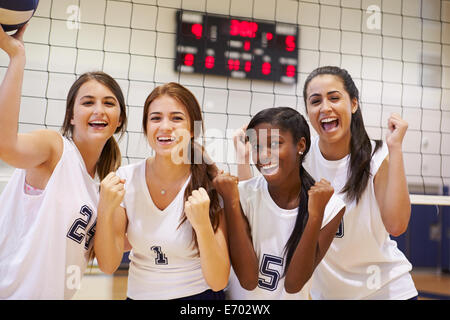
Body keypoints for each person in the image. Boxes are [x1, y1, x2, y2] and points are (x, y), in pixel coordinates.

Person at [235, 66, 418, 300]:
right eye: (315, 101)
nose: (325, 108)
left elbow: (396, 225)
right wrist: (243, 159)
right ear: (308, 111)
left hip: (387, 292)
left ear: (353, 104)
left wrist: (395, 148)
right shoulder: (301, 156)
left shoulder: (376, 156)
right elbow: (255, 200)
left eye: (334, 98)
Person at [0, 25, 127, 299]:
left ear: (120, 120)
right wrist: (17, 57)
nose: (98, 110)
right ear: (71, 116)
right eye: (88, 102)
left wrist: (107, 206)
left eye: (108, 103)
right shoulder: (54, 149)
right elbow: (5, 146)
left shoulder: (106, 189)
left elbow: (109, 264)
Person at [94, 82, 230, 300]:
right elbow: (108, 265)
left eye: (176, 118)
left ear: (192, 129)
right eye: (156, 118)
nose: (165, 126)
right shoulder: (125, 178)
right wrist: (105, 209)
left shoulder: (210, 183)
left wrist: (203, 225)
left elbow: (218, 281)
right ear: (146, 127)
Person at [214, 107, 345, 299]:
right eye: (257, 147)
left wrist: (315, 216)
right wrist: (232, 203)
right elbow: (248, 280)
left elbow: (294, 285)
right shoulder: (238, 196)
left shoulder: (330, 206)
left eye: (274, 144)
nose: (263, 155)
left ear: (300, 145)